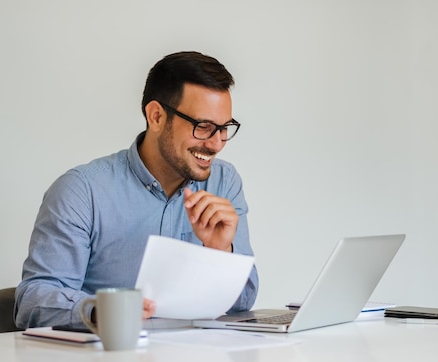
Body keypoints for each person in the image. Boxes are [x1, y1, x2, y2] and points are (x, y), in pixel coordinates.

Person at [14, 51, 259, 329]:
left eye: (224, 128)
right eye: (203, 127)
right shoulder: (82, 191)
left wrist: (221, 251)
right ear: (156, 116)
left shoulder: (224, 182)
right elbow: (33, 299)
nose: (216, 144)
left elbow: (243, 301)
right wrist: (100, 311)